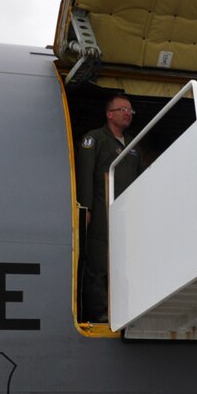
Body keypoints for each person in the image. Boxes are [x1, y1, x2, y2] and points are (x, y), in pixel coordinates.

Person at [75, 93, 142, 324]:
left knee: (125, 261)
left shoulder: (133, 145)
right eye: (123, 109)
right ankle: (99, 310)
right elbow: (85, 175)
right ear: (109, 114)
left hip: (126, 213)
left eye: (130, 111)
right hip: (102, 210)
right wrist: (86, 209)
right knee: (99, 261)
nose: (127, 114)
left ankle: (124, 307)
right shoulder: (94, 139)